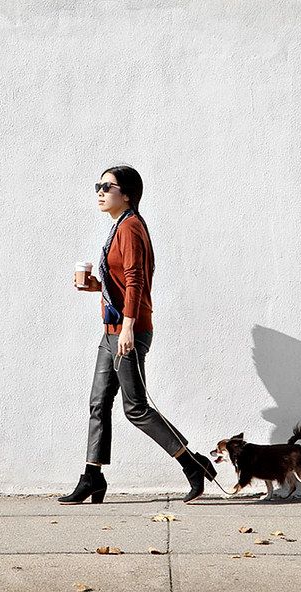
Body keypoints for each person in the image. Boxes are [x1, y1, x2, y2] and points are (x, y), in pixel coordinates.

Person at [58, 164, 217, 505]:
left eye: (107, 186)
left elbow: (136, 280)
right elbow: (119, 282)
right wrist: (96, 287)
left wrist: (129, 326)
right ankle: (93, 477)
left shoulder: (130, 227)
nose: (100, 191)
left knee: (136, 408)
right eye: (97, 185)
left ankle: (193, 464)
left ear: (127, 194)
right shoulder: (118, 227)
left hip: (128, 330)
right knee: (98, 403)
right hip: (111, 329)